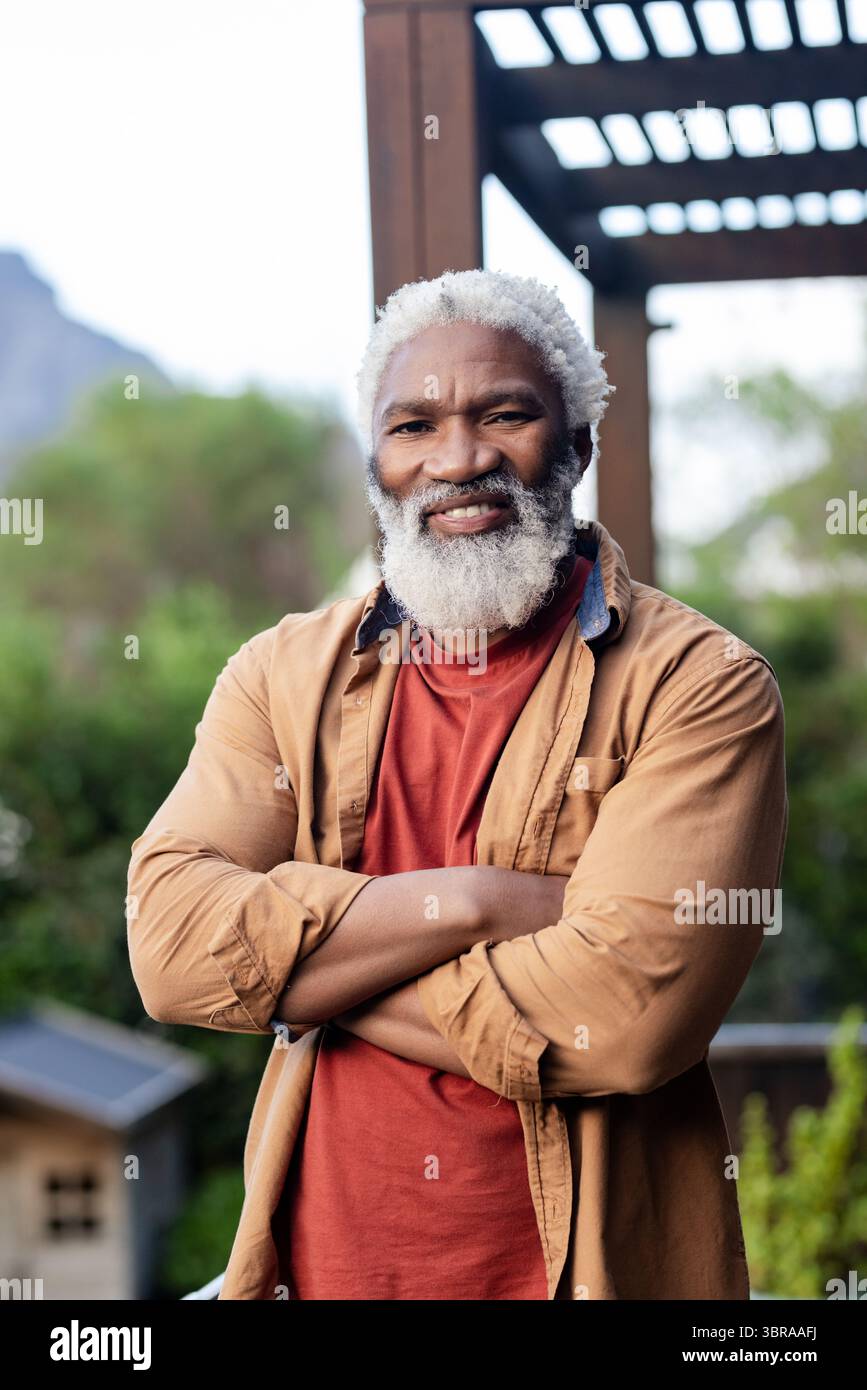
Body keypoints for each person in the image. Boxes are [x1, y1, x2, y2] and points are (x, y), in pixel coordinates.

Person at [127, 268, 788, 1300]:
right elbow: (170, 949)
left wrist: (304, 980)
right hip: (317, 1275)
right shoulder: (279, 673)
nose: (461, 458)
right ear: (376, 467)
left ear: (577, 446)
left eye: (506, 414)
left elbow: (621, 1022)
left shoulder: (698, 686)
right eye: (414, 425)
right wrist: (479, 901)